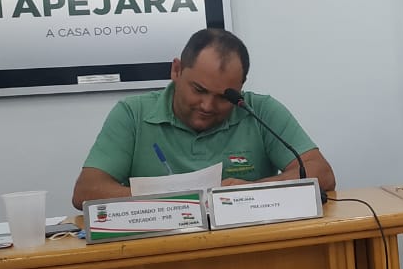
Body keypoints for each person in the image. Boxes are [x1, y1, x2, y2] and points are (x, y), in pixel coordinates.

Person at [72, 28, 335, 207]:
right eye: (198, 90)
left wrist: (252, 190)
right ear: (176, 70)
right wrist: (174, 201)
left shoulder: (260, 110)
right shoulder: (132, 114)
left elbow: (321, 173)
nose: (207, 106)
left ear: (241, 87)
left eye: (223, 96)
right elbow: (86, 192)